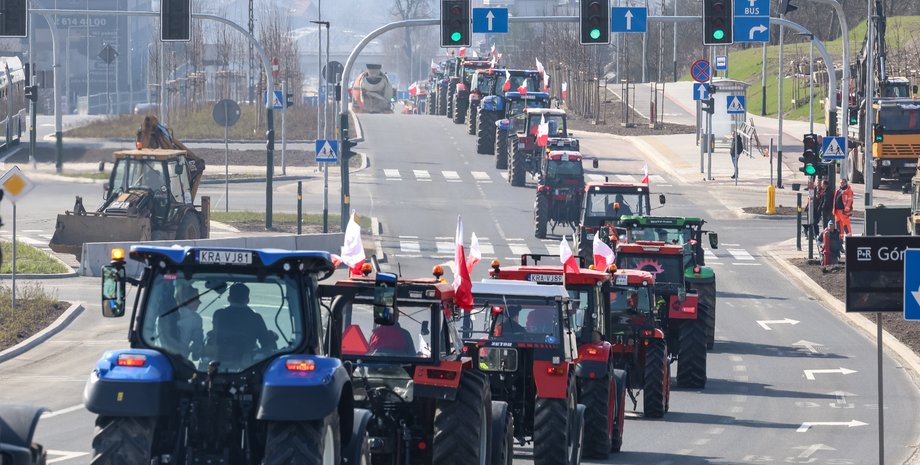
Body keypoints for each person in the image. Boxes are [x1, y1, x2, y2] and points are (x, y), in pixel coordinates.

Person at [208, 283, 278, 368]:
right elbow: (265, 342)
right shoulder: (255, 318)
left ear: (229, 298)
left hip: (219, 361)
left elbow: (214, 335)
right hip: (247, 364)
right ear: (247, 300)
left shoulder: (219, 314)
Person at [173, 284, 205, 360]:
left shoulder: (167, 316)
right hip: (181, 359)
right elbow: (198, 342)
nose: (200, 302)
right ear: (186, 300)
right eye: (196, 299)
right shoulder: (195, 319)